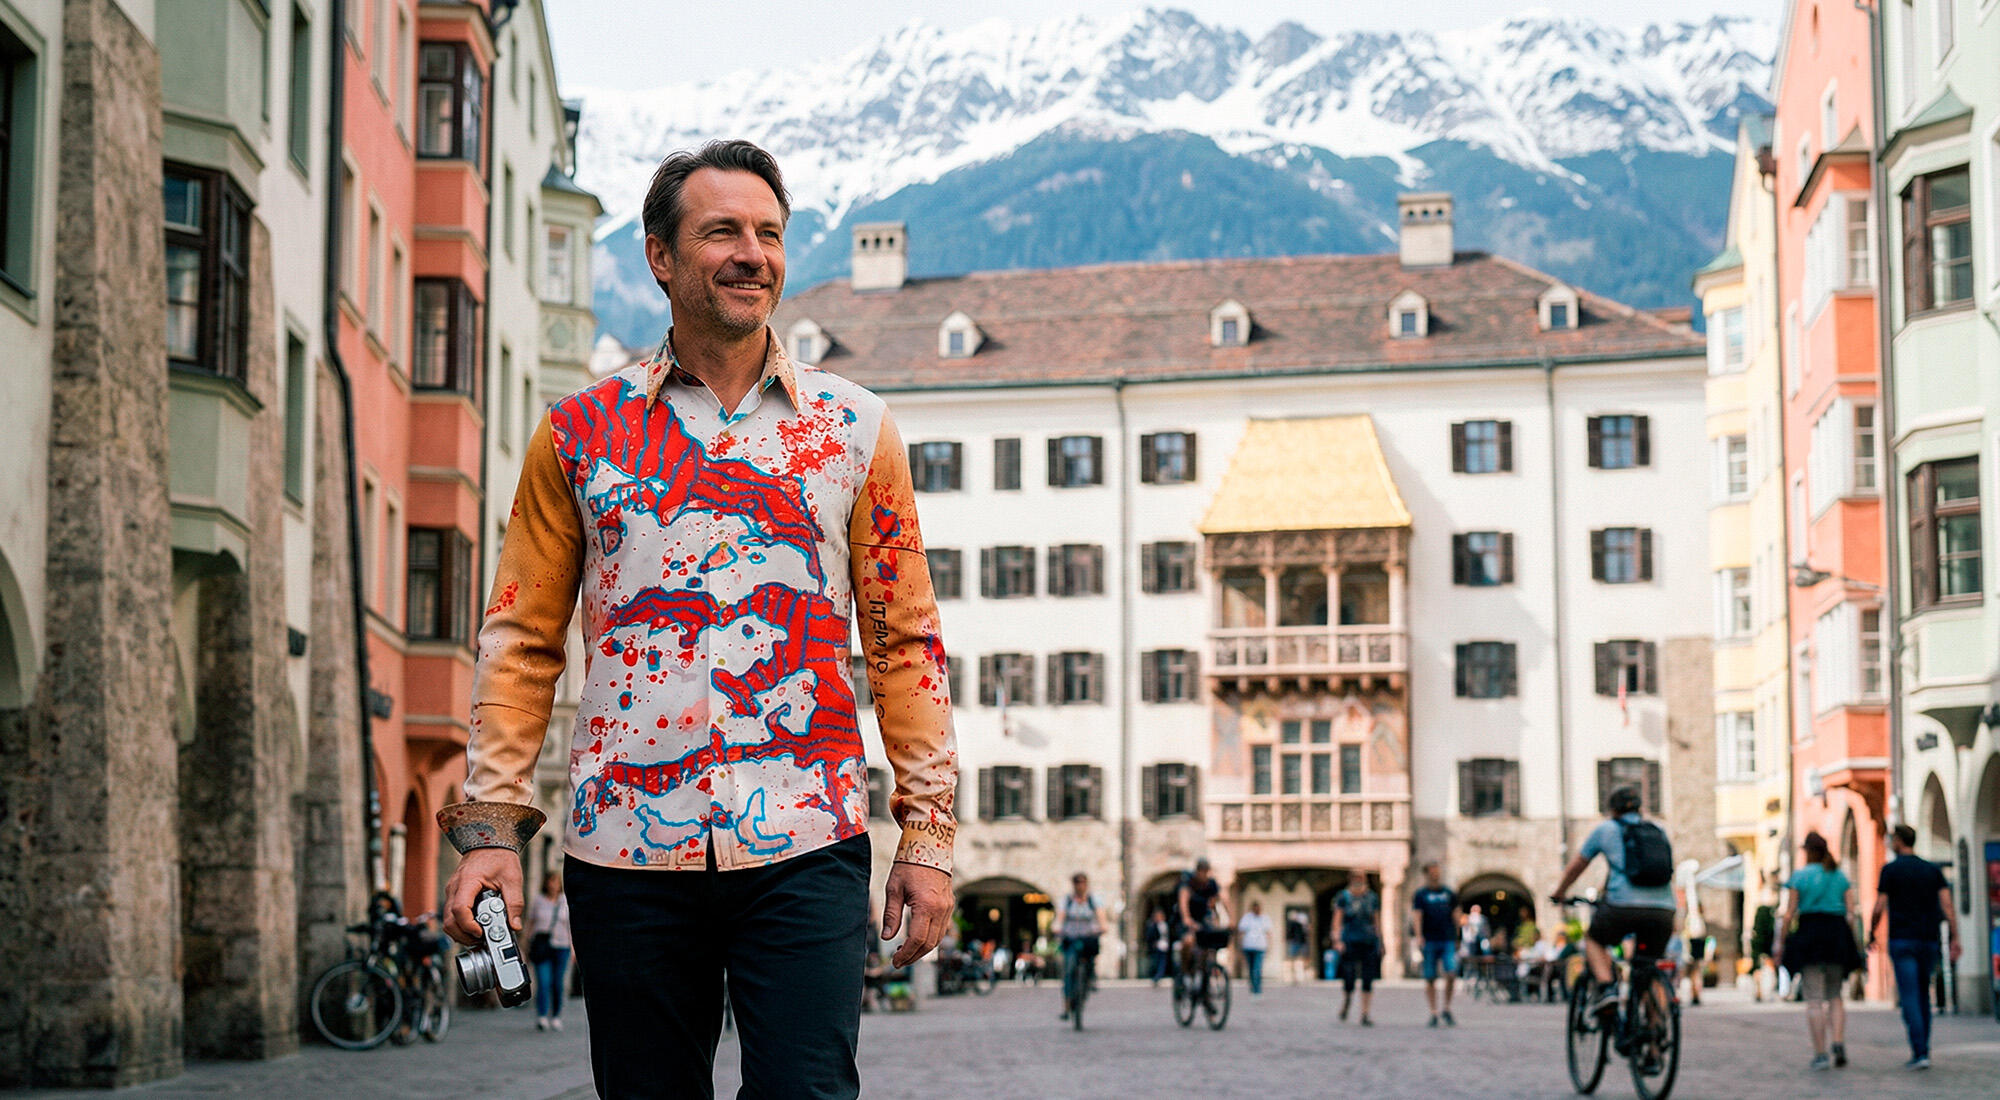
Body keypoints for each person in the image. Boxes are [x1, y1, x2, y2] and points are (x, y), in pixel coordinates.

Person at [435, 139, 959, 1100]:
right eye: (723, 231)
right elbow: (520, 640)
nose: (752, 253)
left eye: (769, 233)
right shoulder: (576, 434)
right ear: (661, 257)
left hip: (807, 836)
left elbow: (904, 645)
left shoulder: (855, 429)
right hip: (624, 845)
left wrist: (926, 840)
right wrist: (494, 831)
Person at [1549, 786, 1679, 1029]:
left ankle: (1607, 988)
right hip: (1663, 909)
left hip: (1622, 906)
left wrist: (1559, 892)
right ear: (1639, 808)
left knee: (1594, 940)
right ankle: (1655, 1035)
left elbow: (1577, 865)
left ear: (1612, 809)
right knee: (1647, 967)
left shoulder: (1606, 829)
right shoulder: (1658, 831)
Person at [1870, 824, 1961, 1071]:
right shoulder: (1932, 870)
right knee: (1922, 994)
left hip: (1902, 940)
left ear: (1899, 841)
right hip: (1928, 939)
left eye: (1892, 839)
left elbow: (1879, 905)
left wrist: (1871, 931)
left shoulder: (1891, 870)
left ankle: (1919, 1051)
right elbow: (1947, 905)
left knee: (1909, 996)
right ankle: (1924, 1050)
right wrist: (1955, 936)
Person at [1775, 832, 1863, 1070]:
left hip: (1810, 934)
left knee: (1814, 999)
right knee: (1835, 995)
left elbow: (1789, 914)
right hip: (1837, 934)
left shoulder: (1800, 876)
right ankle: (1838, 1042)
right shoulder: (1839, 876)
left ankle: (1821, 1054)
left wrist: (1780, 944)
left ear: (1808, 852)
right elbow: (1851, 913)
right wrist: (1854, 943)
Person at [1409, 861, 1460, 1026]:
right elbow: (1417, 916)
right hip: (1429, 939)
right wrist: (1419, 936)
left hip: (1447, 939)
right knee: (1430, 977)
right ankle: (1433, 1011)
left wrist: (1457, 935)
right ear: (1427, 874)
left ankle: (1446, 1008)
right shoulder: (1421, 895)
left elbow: (1456, 914)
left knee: (1451, 973)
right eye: (1432, 871)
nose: (1436, 874)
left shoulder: (1448, 893)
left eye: (1437, 871)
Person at [524, 871, 574, 1031]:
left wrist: (573, 949)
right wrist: (526, 944)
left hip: (562, 947)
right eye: (550, 882)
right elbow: (530, 923)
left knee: (558, 983)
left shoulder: (565, 901)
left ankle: (556, 1015)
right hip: (542, 947)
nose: (553, 885)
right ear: (545, 883)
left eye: (556, 882)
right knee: (543, 982)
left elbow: (571, 927)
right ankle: (542, 1015)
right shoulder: (538, 901)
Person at [1330, 870, 1381, 1025]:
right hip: (1349, 942)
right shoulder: (1344, 897)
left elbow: (1376, 920)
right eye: (1355, 878)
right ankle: (1347, 1000)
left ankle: (1365, 1013)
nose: (1358, 880)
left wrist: (1380, 940)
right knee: (1349, 976)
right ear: (1350, 879)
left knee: (1368, 978)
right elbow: (1337, 919)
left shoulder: (1372, 898)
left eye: (1361, 878)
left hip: (1368, 941)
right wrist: (1337, 940)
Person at [1056, 873, 1107, 1021]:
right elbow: (1060, 918)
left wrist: (1102, 927)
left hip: (1088, 937)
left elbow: (1101, 917)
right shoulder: (1067, 901)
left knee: (1091, 956)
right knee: (1068, 970)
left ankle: (1091, 977)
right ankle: (1066, 1006)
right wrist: (1057, 928)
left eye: (1083, 882)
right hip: (1071, 938)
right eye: (1077, 883)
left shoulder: (1093, 900)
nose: (1080, 885)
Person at [1177, 858, 1227, 970]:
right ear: (1198, 871)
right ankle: (1185, 969)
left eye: (1207, 872)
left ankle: (1205, 970)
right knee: (1188, 941)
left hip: (1203, 917)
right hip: (1189, 918)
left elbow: (1222, 898)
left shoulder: (1211, 883)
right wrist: (1186, 918)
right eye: (1203, 872)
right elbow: (1183, 901)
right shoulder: (1188, 881)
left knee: (1210, 943)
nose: (1205, 875)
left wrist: (1230, 919)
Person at [1237, 901, 1273, 995]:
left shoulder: (1265, 918)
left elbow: (1268, 933)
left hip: (1260, 947)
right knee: (1251, 968)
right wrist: (1240, 945)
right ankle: (1253, 987)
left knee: (1257, 968)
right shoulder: (1247, 918)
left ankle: (1257, 989)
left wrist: (1270, 946)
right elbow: (1241, 932)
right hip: (1248, 946)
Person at [1144, 908, 1171, 986]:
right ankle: (1156, 976)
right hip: (1157, 947)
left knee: (1162, 962)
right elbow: (1149, 936)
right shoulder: (1152, 926)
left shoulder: (1165, 925)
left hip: (1164, 946)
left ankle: (1159, 975)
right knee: (1156, 962)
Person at [1284, 909, 1310, 985]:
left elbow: (1305, 933)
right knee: (1294, 959)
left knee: (1302, 959)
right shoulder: (1293, 924)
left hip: (1301, 942)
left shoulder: (1302, 924)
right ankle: (1294, 977)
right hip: (1296, 942)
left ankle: (1302, 976)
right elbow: (1289, 933)